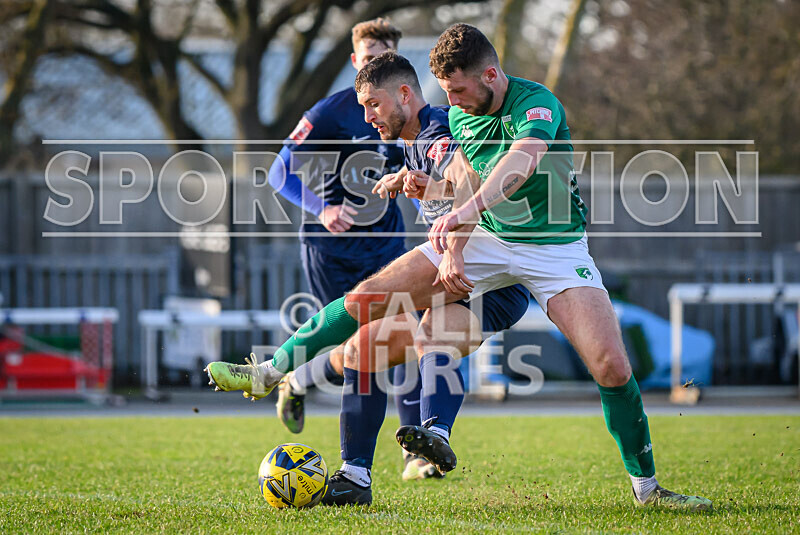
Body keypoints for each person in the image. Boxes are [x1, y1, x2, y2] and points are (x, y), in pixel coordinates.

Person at [207, 24, 712, 511]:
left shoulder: (535, 105)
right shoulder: (456, 116)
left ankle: (648, 489)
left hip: (554, 249)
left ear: (490, 76)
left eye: (457, 90)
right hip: (482, 240)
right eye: (445, 92)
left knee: (611, 365)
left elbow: (519, 163)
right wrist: (434, 198)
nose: (451, 102)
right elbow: (463, 179)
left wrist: (457, 221)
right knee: (372, 319)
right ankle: (277, 378)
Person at [319, 51, 533, 505]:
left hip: (490, 280)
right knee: (362, 349)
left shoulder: (437, 130)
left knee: (428, 333)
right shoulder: (414, 139)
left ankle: (432, 434)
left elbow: (465, 177)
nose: (367, 117)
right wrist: (410, 179)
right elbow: (452, 183)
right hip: (452, 274)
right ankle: (356, 476)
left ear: (404, 94)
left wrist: (453, 250)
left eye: (372, 104)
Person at [266, 19, 426, 472]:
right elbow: (279, 172)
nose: (378, 64)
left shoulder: (410, 113)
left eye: (387, 57)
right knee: (358, 349)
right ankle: (301, 383)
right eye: (370, 56)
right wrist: (322, 209)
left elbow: (424, 173)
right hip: (331, 251)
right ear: (355, 60)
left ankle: (415, 453)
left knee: (405, 336)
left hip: (386, 246)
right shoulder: (330, 112)